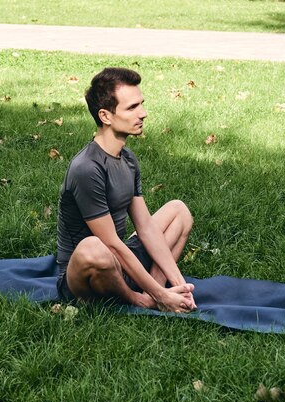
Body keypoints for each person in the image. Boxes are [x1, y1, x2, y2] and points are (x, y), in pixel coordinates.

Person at [56, 67, 196, 313]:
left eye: (141, 104)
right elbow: (110, 245)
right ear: (106, 116)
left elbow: (145, 227)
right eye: (132, 108)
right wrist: (158, 294)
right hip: (85, 275)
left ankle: (160, 292)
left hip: (120, 261)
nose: (143, 113)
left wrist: (180, 285)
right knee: (94, 247)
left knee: (178, 211)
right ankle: (143, 300)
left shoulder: (127, 158)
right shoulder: (86, 168)